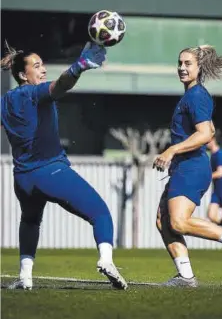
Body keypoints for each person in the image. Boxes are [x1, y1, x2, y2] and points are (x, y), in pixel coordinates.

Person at [1, 41, 127, 290]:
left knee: (30, 222)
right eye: (37, 66)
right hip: (50, 171)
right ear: (22, 75)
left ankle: (25, 277)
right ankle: (106, 261)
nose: (43, 69)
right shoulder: (32, 92)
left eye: (43, 64)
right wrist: (79, 66)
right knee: (100, 213)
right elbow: (60, 86)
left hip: (23, 179)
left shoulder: (5, 101)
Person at [153, 45, 222, 287]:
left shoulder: (197, 96)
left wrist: (172, 149)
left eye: (188, 63)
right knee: (162, 221)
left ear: (199, 68)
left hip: (193, 167)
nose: (182, 68)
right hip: (182, 167)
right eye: (180, 63)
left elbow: (206, 134)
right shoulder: (189, 96)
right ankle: (186, 276)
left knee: (177, 222)